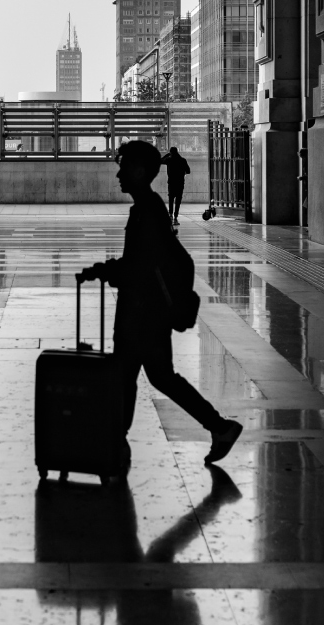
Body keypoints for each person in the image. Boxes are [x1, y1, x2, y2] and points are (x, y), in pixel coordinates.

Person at [78, 140, 242, 466]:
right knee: (154, 377)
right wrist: (108, 271)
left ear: (140, 170)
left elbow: (140, 266)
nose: (119, 175)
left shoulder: (148, 211)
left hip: (142, 314)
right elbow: (142, 262)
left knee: (133, 377)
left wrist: (105, 271)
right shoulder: (146, 208)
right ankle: (218, 427)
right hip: (144, 312)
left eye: (124, 168)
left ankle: (116, 444)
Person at [162, 146, 191, 228]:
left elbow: (160, 161)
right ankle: (176, 217)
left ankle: (170, 215)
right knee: (178, 200)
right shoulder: (183, 160)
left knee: (171, 199)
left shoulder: (169, 160)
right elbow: (188, 171)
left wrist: (167, 155)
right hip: (180, 183)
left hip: (171, 183)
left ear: (171, 152)